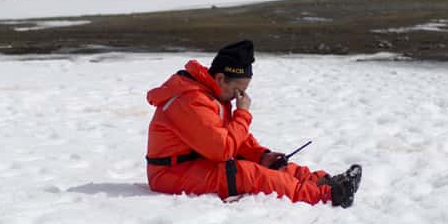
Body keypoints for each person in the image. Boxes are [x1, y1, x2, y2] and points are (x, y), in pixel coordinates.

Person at [144, 39, 362, 207]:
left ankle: (322, 181)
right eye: (238, 90)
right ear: (220, 79)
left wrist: (261, 155)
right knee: (245, 173)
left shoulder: (211, 95)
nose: (240, 96)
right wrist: (242, 114)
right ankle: (328, 196)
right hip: (171, 174)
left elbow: (230, 137)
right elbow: (221, 149)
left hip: (198, 162)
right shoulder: (190, 100)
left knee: (268, 164)